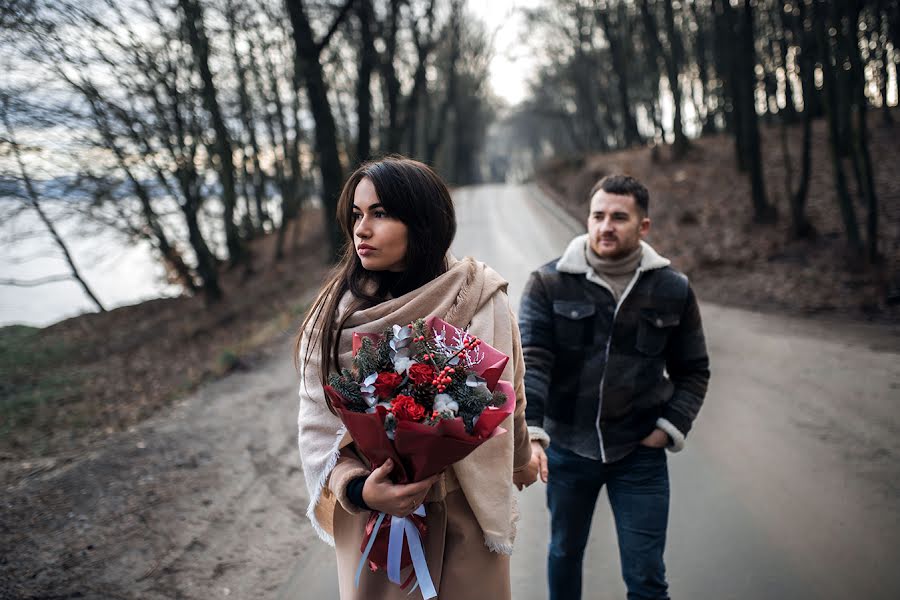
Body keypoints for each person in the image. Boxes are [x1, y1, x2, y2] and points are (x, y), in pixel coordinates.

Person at [296, 156, 544, 600]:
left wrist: (522, 458)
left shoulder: (481, 297)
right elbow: (318, 427)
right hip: (378, 524)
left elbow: (511, 396)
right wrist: (360, 488)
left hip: (465, 514)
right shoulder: (333, 317)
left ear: (423, 222)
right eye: (356, 215)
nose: (361, 230)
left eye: (381, 213)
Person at [518, 174, 710, 600]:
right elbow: (533, 362)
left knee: (646, 576)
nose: (606, 226)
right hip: (569, 447)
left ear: (643, 226)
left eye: (619, 217)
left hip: (638, 454)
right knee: (565, 552)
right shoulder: (549, 283)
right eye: (598, 216)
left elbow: (694, 370)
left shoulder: (671, 289)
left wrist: (668, 427)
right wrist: (532, 433)